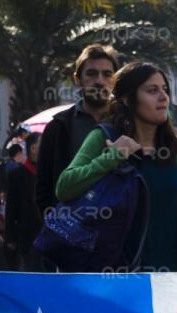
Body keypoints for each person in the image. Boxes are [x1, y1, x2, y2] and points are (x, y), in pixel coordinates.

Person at [54, 61, 177, 273]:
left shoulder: (176, 148)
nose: (163, 97)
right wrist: (112, 157)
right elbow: (64, 187)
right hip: (115, 279)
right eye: (152, 91)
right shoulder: (103, 137)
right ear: (127, 99)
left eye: (165, 90)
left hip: (172, 277)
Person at [35, 43, 119, 222]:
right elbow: (43, 187)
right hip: (69, 232)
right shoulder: (58, 127)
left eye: (107, 74)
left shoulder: (128, 124)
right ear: (77, 79)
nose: (99, 80)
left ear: (115, 80)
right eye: (91, 73)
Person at [4, 131, 42, 269]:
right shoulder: (17, 175)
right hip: (27, 236)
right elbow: (11, 208)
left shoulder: (48, 173)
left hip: (48, 236)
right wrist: (10, 237)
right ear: (32, 149)